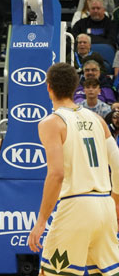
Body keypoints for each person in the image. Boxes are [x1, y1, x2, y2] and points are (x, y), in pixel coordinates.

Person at [28, 63, 119, 274]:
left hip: (75, 207)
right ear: (75, 87)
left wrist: (41, 221)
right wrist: (115, 201)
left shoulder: (52, 122)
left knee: (51, 272)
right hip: (104, 206)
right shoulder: (98, 119)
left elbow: (56, 174)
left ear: (48, 87)